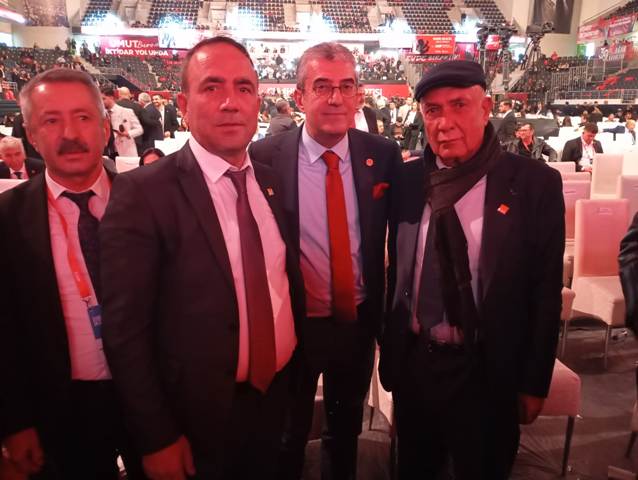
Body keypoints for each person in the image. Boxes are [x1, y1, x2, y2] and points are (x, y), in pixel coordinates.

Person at [99, 36, 304, 480]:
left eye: (243, 88)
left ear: (258, 104)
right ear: (184, 105)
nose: (231, 102)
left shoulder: (271, 182)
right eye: (212, 87)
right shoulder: (143, 192)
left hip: (273, 402)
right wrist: (156, 436)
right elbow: (125, 332)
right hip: (193, 423)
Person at [379, 60, 564, 479]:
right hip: (416, 365)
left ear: (486, 108)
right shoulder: (407, 181)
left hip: (487, 369)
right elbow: (397, 271)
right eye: (432, 110)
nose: (444, 123)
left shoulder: (533, 184)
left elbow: (544, 292)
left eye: (459, 105)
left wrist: (534, 381)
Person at [249, 41, 402, 480]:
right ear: (300, 96)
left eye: (346, 86)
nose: (336, 98)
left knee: (345, 429)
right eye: (322, 87)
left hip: (357, 321)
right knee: (288, 432)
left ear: (358, 95)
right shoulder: (265, 157)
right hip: (294, 324)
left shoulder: (383, 155)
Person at [0, 68, 145, 479]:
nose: (69, 133)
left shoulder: (148, 203)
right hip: (60, 408)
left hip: (149, 402)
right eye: (51, 120)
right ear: (31, 134)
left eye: (83, 117)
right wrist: (14, 421)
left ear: (104, 128)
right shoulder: (7, 219)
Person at [101, 85, 143, 158]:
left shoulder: (126, 112)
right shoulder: (100, 114)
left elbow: (139, 129)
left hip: (125, 151)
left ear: (111, 98)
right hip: (107, 152)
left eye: (103, 99)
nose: (101, 102)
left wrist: (128, 133)